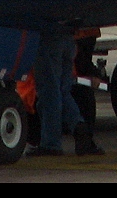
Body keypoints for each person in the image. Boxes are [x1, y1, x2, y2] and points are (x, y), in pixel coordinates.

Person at [29, 27, 104, 157]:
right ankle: (78, 125)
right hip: (68, 37)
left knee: (49, 93)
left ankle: (51, 144)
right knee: (63, 91)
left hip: (48, 36)